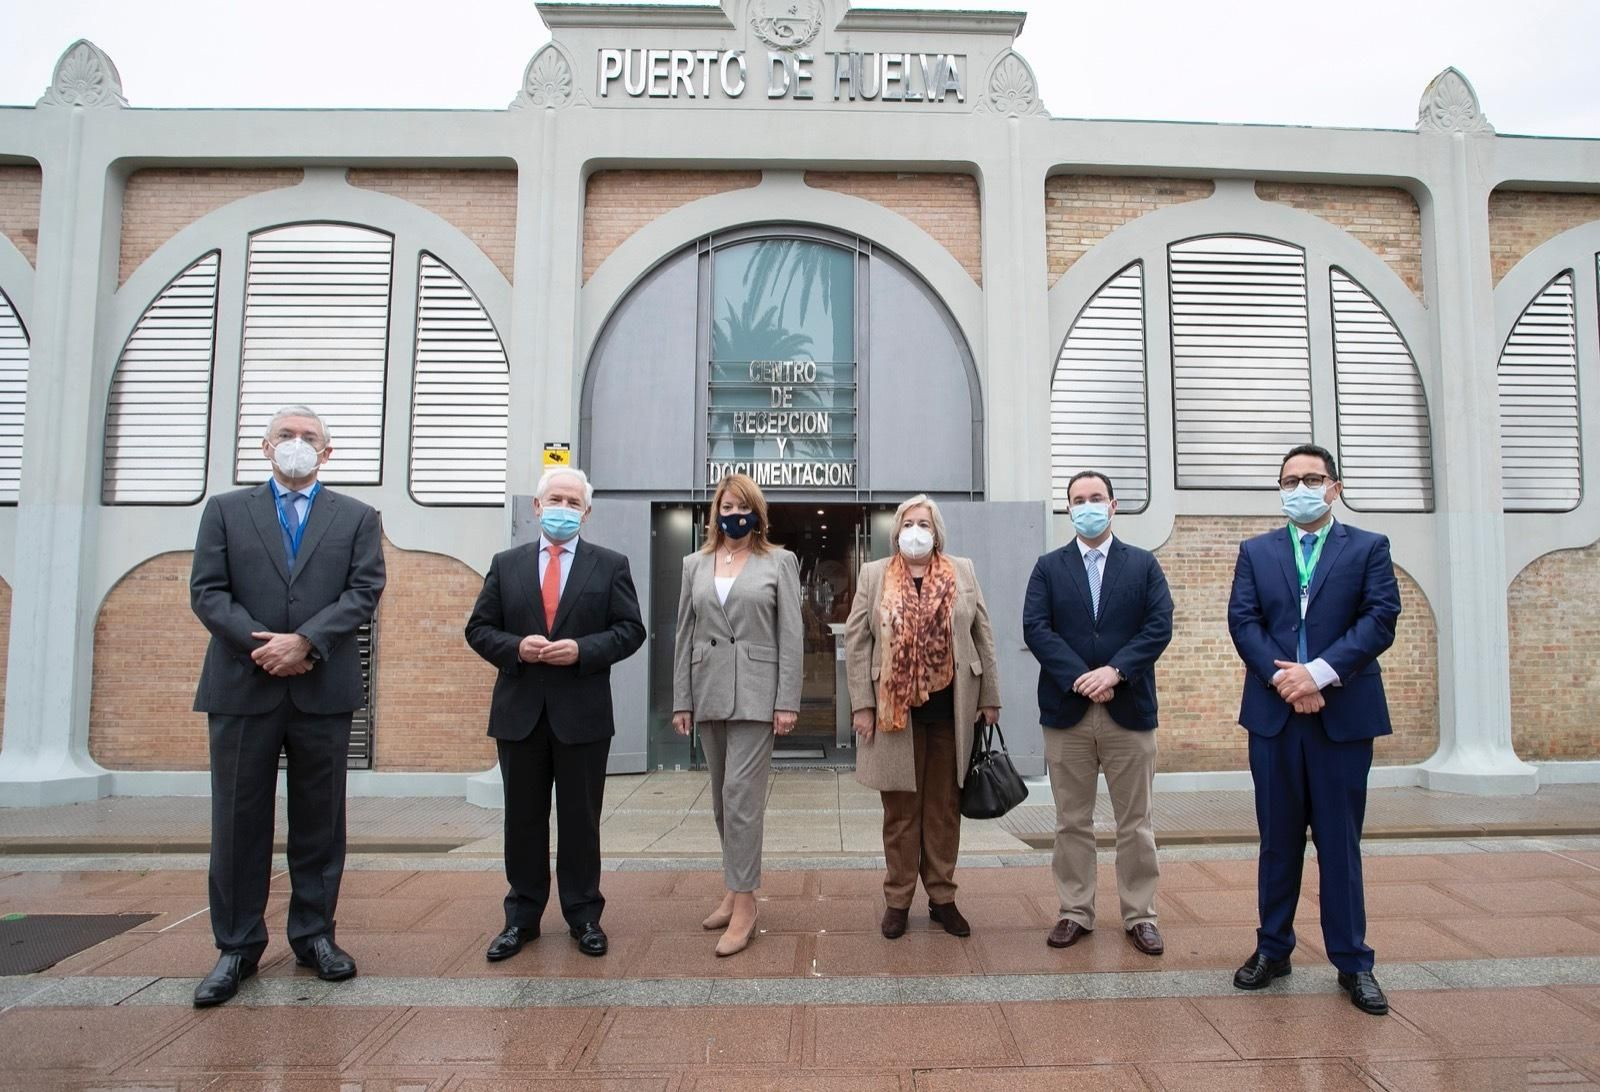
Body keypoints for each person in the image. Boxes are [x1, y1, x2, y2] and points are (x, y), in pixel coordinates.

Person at [189, 405, 386, 1007]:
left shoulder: (356, 517)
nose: (296, 444)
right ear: (264, 445)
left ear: (327, 452)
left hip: (321, 689)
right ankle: (237, 946)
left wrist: (306, 642)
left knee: (320, 822)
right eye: (286, 435)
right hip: (243, 688)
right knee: (238, 821)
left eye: (308, 437)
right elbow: (207, 591)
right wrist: (266, 646)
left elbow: (364, 590)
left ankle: (315, 936)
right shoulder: (225, 510)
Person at [1226, 443, 1400, 1016]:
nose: (1300, 488)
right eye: (1289, 480)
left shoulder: (1369, 549)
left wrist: (1319, 675)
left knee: (1339, 845)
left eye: (1311, 478)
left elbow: (1379, 618)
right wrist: (1287, 682)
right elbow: (1244, 620)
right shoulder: (1257, 551)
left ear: (1335, 486)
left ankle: (1353, 962)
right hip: (1276, 717)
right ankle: (1273, 949)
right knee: (1277, 842)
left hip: (1341, 717)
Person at [465, 467, 645, 963]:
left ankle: (584, 915)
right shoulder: (506, 565)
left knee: (580, 821)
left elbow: (631, 630)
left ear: (585, 512)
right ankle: (521, 918)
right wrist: (516, 647)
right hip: (519, 714)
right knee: (522, 821)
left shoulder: (609, 565)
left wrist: (583, 650)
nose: (563, 507)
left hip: (582, 716)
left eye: (573, 501)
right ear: (537, 507)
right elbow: (479, 629)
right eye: (554, 499)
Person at [1023, 470, 1174, 956]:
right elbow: (1036, 629)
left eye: (1096, 498)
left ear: (1113, 505)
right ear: (1068, 509)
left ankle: (1140, 915)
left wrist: (1114, 672)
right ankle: (1074, 911)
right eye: (1077, 499)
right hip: (1067, 712)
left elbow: (1158, 626)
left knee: (1136, 822)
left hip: (1128, 709)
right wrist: (1081, 677)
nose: (1087, 505)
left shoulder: (1143, 565)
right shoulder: (1048, 567)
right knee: (1072, 822)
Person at [846, 494, 1000, 940]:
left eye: (924, 524)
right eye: (909, 523)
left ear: (937, 532)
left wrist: (990, 696)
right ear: (897, 531)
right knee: (899, 813)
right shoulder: (874, 574)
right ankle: (897, 900)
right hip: (896, 715)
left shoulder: (962, 570)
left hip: (952, 709)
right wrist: (862, 704)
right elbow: (857, 643)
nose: (916, 531)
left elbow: (982, 636)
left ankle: (942, 898)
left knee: (943, 810)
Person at [671, 473, 803, 957]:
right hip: (707, 691)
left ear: (757, 513)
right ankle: (733, 885)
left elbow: (791, 635)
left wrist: (787, 700)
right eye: (727, 505)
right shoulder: (694, 564)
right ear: (715, 511)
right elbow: (684, 634)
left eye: (743, 506)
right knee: (722, 803)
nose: (734, 514)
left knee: (740, 797)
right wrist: (680, 699)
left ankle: (745, 903)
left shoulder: (779, 562)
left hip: (756, 693)